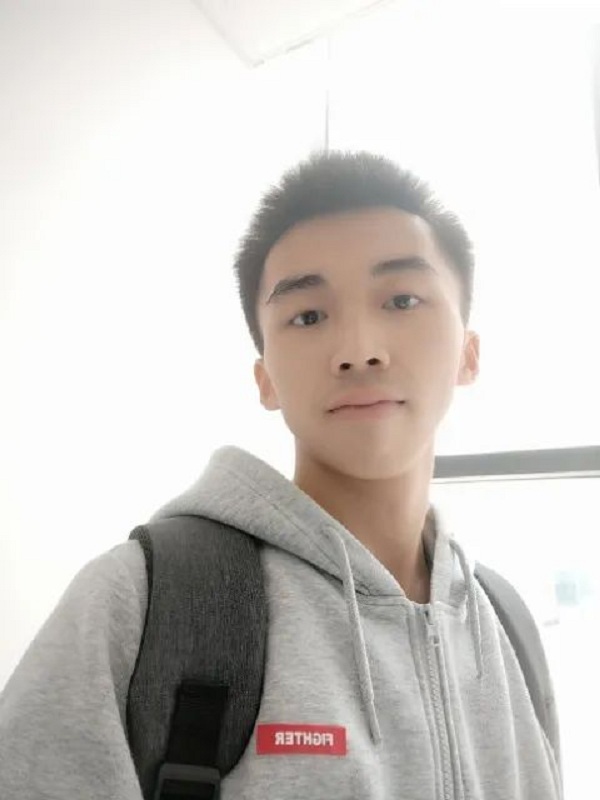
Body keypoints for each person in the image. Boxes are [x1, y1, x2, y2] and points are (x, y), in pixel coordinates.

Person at [0, 151, 562, 798]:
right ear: (265, 378)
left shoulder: (507, 626)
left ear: (468, 354)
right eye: (308, 316)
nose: (360, 350)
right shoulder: (140, 601)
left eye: (403, 299)